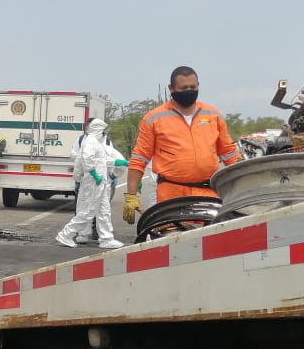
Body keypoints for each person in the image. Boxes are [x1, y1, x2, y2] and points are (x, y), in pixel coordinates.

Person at [123, 66, 241, 225]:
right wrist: (131, 195)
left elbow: (230, 154)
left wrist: (244, 186)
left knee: (208, 241)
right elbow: (139, 158)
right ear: (171, 88)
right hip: (171, 194)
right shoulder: (154, 118)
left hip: (207, 193)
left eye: (193, 87)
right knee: (172, 240)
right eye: (183, 88)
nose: (189, 91)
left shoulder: (213, 115)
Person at [56, 119, 126, 250]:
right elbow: (87, 159)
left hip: (100, 181)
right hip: (94, 181)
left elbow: (102, 160)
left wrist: (117, 162)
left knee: (104, 211)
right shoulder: (90, 142)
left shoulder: (96, 142)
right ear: (98, 130)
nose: (105, 133)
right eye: (103, 130)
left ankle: (106, 238)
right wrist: (94, 174)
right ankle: (66, 234)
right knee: (88, 211)